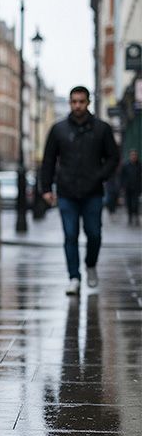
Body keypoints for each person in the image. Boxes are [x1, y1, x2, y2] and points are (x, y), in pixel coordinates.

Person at [40, 86, 119, 296]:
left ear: (88, 102)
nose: (77, 106)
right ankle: (74, 277)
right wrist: (46, 188)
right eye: (74, 102)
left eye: (81, 102)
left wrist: (100, 175)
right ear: (69, 103)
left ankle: (90, 264)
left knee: (94, 234)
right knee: (70, 235)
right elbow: (48, 160)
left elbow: (113, 157)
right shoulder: (58, 130)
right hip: (66, 192)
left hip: (93, 192)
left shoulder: (101, 129)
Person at [120, 149, 141, 226]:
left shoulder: (139, 165)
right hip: (128, 188)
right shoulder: (126, 165)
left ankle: (136, 217)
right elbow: (122, 177)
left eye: (135, 155)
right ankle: (130, 217)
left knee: (135, 204)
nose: (133, 157)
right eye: (132, 155)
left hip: (136, 188)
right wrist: (122, 186)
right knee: (128, 204)